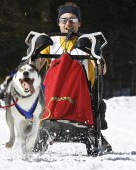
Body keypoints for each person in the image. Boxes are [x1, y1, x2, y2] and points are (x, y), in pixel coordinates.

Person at [35, 2, 112, 153]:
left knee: (98, 103)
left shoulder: (88, 41)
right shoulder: (51, 42)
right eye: (64, 20)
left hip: (80, 93)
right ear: (58, 23)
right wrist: (35, 53)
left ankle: (93, 132)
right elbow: (35, 66)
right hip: (53, 92)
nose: (68, 24)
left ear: (79, 23)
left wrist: (97, 55)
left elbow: (102, 71)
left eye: (73, 20)